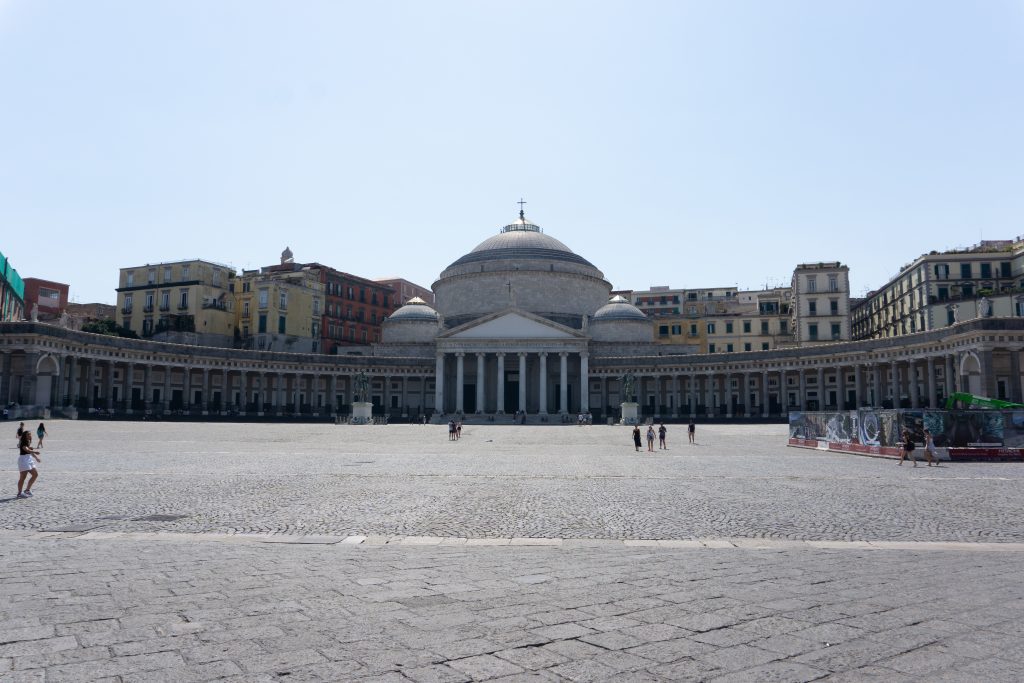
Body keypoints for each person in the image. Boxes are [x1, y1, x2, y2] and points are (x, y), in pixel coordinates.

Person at [16, 431, 40, 499]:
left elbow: (29, 452)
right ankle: (19, 493)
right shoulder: (23, 442)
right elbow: (26, 450)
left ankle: (27, 490)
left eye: (30, 434)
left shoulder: (28, 442)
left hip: (29, 459)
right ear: (25, 436)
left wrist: (36, 458)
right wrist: (35, 451)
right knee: (23, 477)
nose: (30, 435)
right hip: (23, 460)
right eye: (28, 434)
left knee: (35, 474)